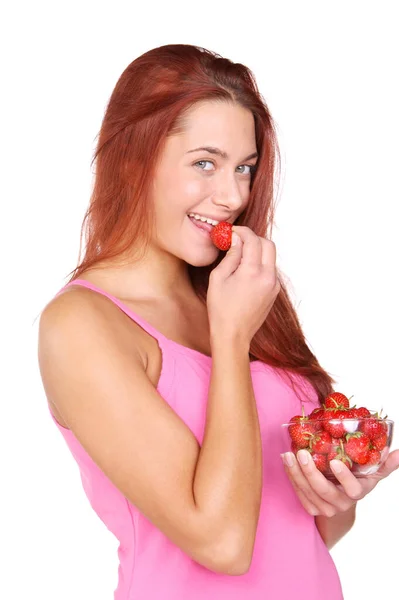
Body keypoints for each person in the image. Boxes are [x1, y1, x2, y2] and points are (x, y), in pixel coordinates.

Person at [38, 44, 399, 600]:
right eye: (204, 163)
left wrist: (338, 493)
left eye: (245, 168)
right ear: (133, 159)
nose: (232, 196)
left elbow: (306, 534)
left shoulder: (234, 294)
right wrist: (230, 338)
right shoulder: (82, 326)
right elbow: (224, 545)